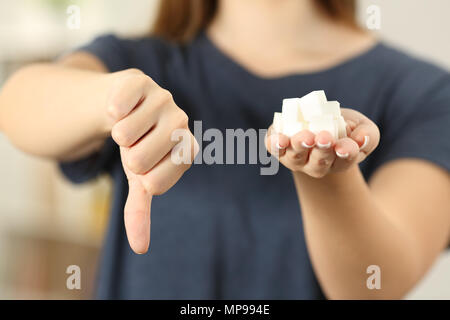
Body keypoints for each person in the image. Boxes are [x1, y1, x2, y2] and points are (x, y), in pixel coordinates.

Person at [0, 0, 449, 299]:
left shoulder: (424, 94)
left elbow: (377, 284)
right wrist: (112, 102)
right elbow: (19, 103)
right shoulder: (140, 60)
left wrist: (329, 172)